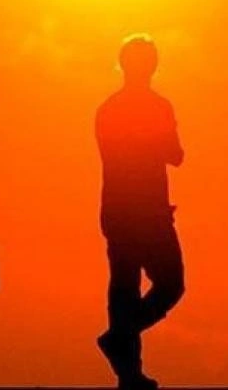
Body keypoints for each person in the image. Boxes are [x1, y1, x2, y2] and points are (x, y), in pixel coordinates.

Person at [95, 34, 186, 390]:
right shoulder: (158, 107)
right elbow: (175, 154)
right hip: (145, 210)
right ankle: (124, 352)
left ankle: (126, 364)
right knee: (167, 284)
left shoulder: (108, 108)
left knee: (124, 286)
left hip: (119, 208)